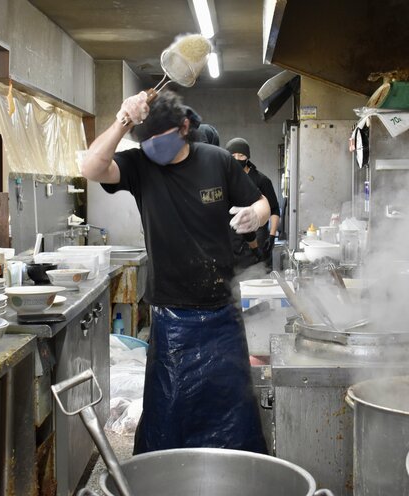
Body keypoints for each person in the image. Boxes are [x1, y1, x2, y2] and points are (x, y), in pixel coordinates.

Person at [81, 89, 269, 455]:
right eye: (145, 140)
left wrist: (256, 215)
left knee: (232, 416)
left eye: (160, 139)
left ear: (184, 128)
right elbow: (90, 168)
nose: (153, 147)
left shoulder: (217, 161)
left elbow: (261, 202)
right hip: (171, 317)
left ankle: (234, 474)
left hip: (221, 314)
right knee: (168, 416)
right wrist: (123, 120)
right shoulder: (139, 166)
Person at [225, 137, 281, 271]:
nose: (237, 158)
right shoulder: (224, 179)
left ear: (248, 157)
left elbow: (274, 209)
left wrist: (272, 236)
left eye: (241, 155)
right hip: (233, 238)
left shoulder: (261, 180)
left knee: (258, 273)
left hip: (258, 235)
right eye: (233, 156)